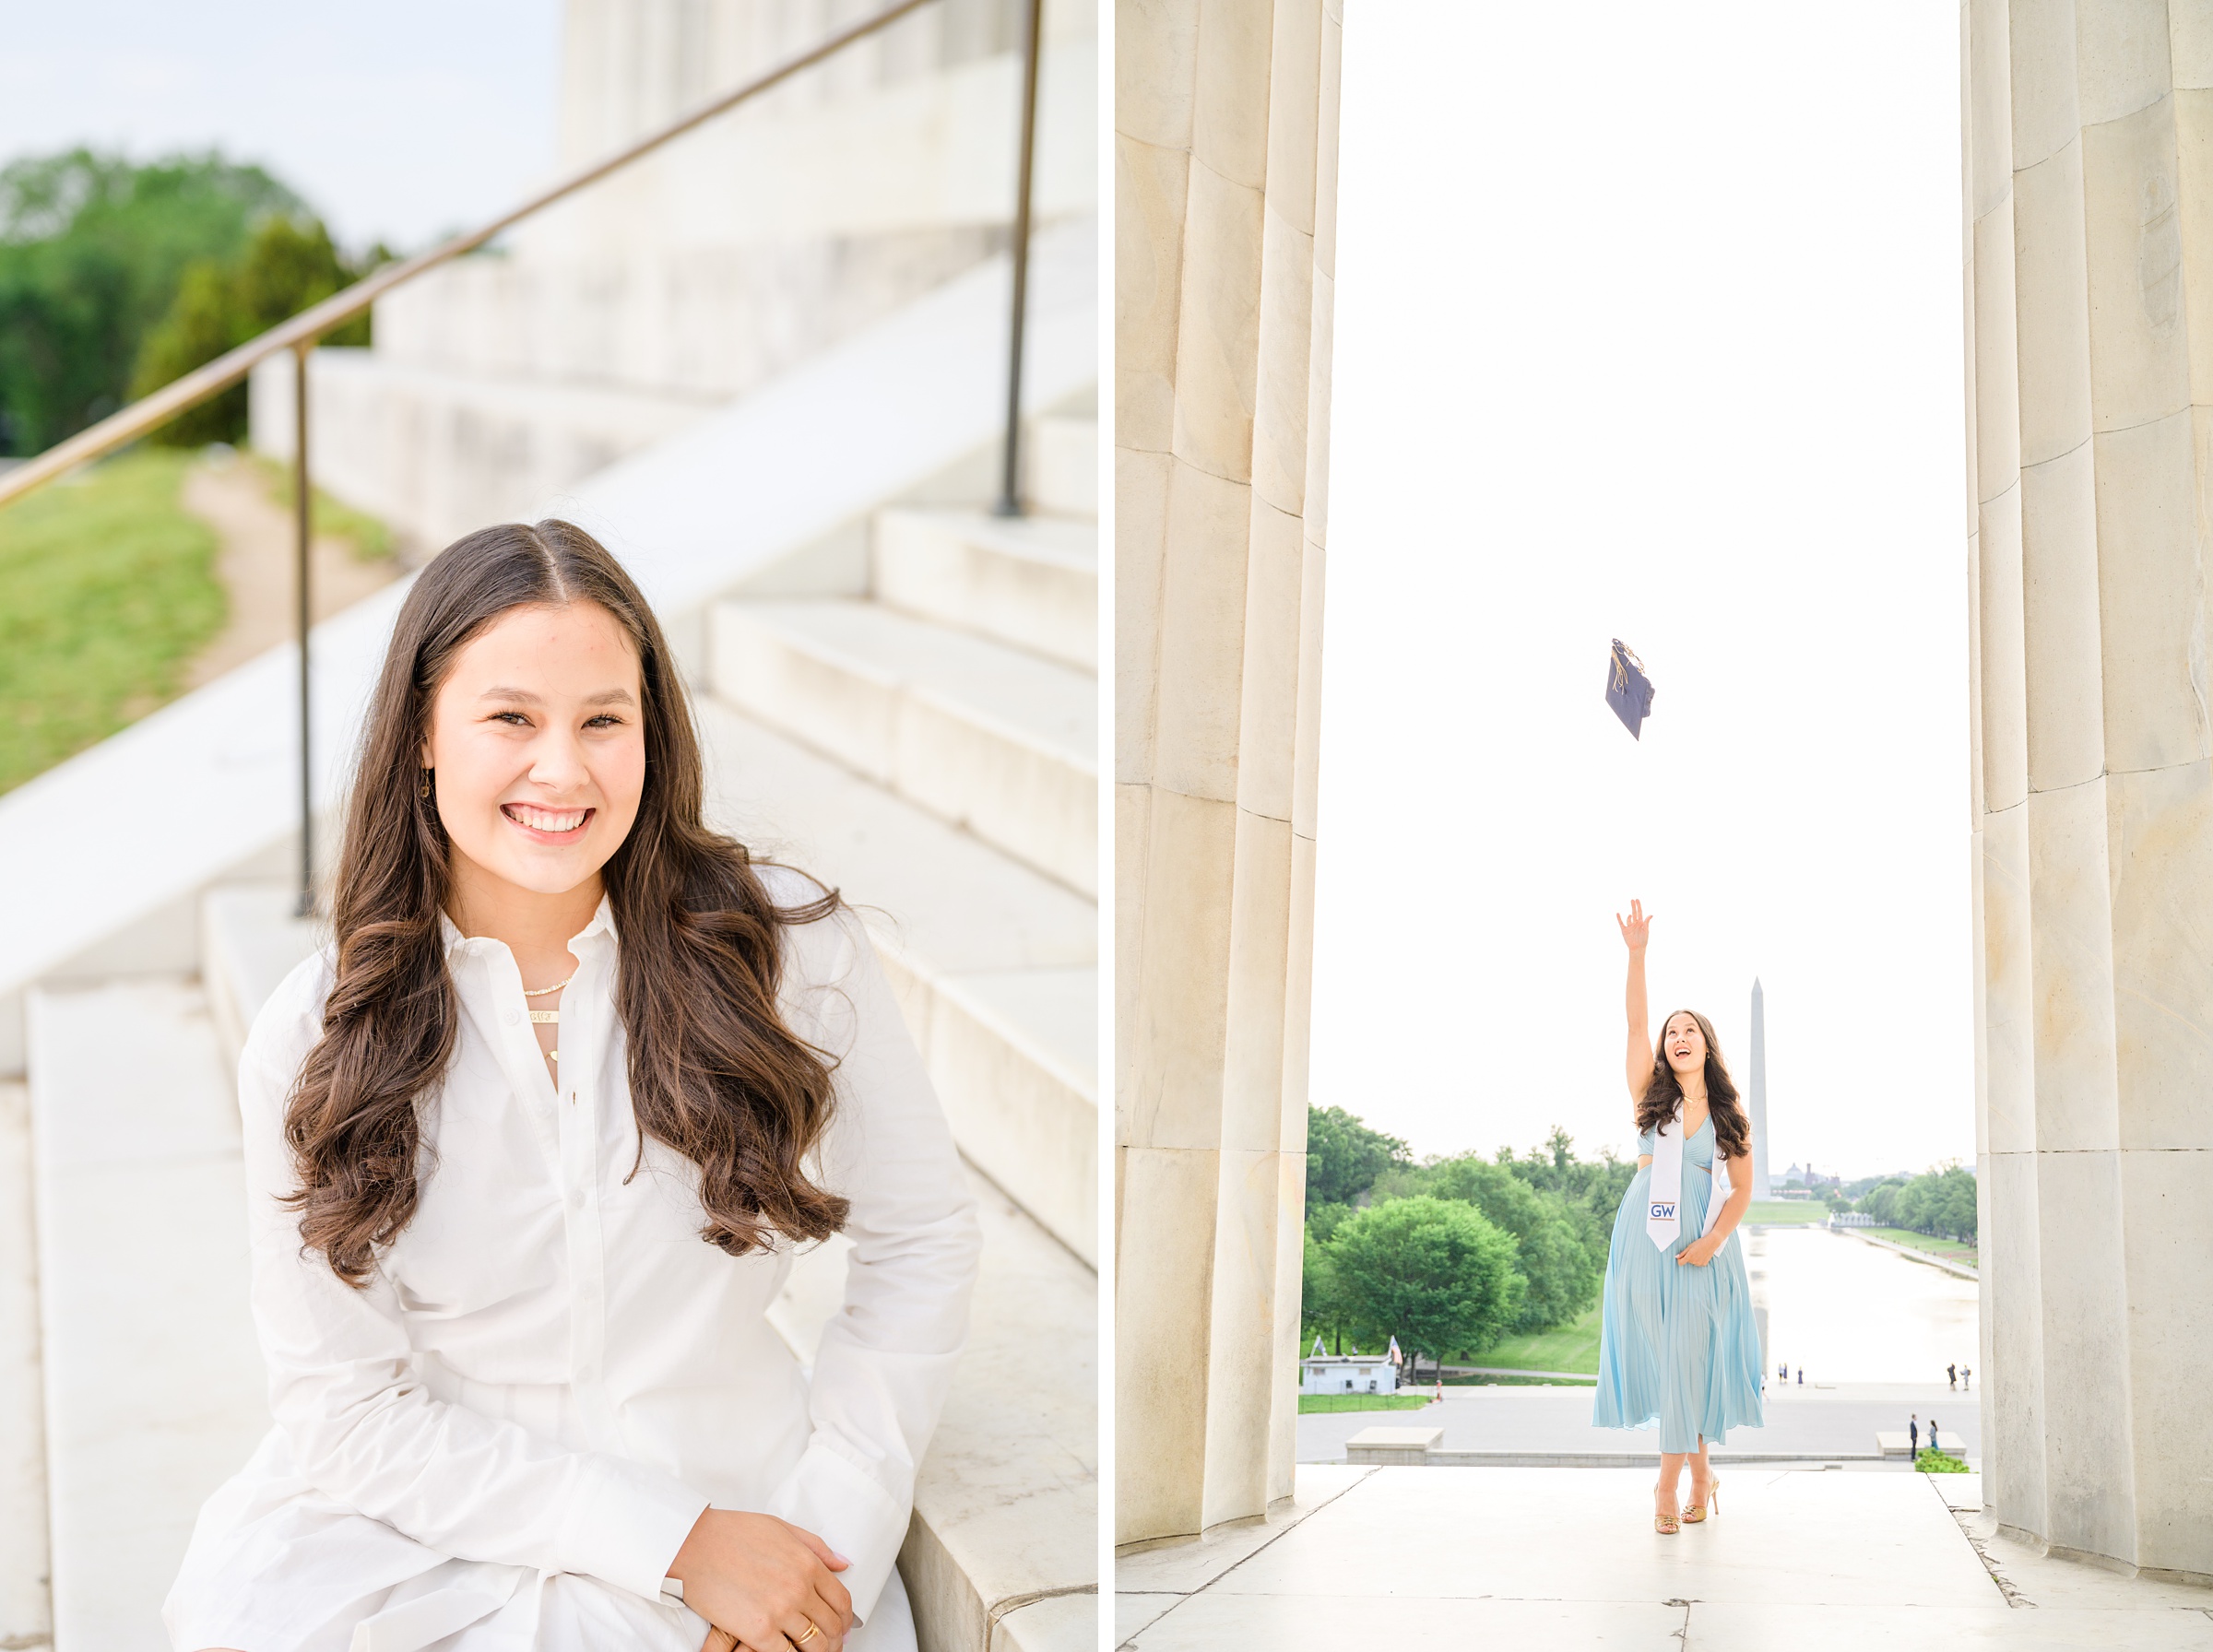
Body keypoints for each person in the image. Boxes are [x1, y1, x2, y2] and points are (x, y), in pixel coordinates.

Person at [163, 523, 981, 1652]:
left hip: (745, 1521)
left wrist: (825, 1539)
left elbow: (922, 1238)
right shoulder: (313, 1038)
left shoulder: (786, 954)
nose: (565, 769)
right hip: (424, 1551)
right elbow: (342, 1412)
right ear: (420, 739)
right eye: (511, 718)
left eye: (605, 718)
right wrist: (669, 1538)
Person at [1592, 900, 1764, 1534]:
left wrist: (1715, 1240)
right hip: (1642, 1237)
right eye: (1673, 1032)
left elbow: (1741, 1189)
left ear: (1707, 1044)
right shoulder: (1649, 1096)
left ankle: (1667, 1486)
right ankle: (1702, 1472)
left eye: (1690, 1029)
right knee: (1670, 1362)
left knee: (1687, 1358)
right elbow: (1635, 1025)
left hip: (1700, 1244)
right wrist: (1637, 956)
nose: (1678, 1037)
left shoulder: (1728, 1114)